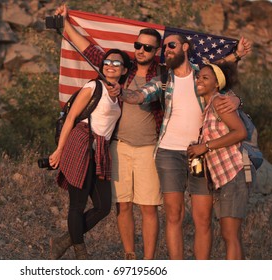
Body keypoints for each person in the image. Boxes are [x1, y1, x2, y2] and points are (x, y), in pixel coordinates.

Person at [115, 33, 251, 259]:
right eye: (165, 48)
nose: (167, 50)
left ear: (185, 47)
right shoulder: (164, 80)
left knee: (203, 218)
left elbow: (222, 76)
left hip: (200, 153)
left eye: (171, 45)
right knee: (174, 215)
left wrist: (237, 97)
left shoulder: (202, 74)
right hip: (168, 153)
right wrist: (121, 92)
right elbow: (139, 95)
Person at [55, 3, 164, 260]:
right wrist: (66, 23)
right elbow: (90, 51)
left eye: (147, 47)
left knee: (149, 208)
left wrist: (233, 58)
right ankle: (129, 255)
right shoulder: (121, 69)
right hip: (118, 147)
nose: (141, 50)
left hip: (148, 148)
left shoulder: (162, 75)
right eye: (138, 45)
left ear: (156, 51)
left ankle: (148, 263)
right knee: (121, 206)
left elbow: (196, 69)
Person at [48, 49, 130, 259]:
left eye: (116, 63)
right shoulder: (93, 87)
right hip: (81, 143)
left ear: (124, 70)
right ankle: (80, 253)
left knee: (103, 207)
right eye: (107, 61)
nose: (110, 65)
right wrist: (59, 150)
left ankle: (64, 241)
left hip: (100, 151)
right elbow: (71, 118)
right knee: (78, 203)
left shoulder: (119, 96)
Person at [187, 62, 249, 259]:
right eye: (198, 77)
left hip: (234, 172)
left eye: (205, 78)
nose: (199, 80)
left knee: (230, 234)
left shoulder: (219, 102)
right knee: (230, 234)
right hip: (221, 177)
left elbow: (240, 132)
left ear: (216, 84)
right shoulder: (208, 107)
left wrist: (205, 147)